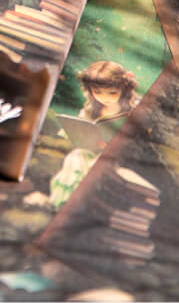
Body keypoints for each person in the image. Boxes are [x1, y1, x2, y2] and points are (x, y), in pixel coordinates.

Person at [49, 61, 140, 208]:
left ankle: (84, 203)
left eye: (112, 93)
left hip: (117, 157)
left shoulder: (132, 111)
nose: (104, 98)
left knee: (96, 164)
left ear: (123, 89)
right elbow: (79, 131)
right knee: (76, 157)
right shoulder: (90, 110)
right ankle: (64, 202)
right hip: (90, 150)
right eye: (97, 92)